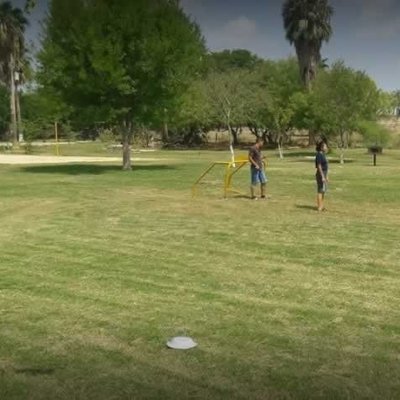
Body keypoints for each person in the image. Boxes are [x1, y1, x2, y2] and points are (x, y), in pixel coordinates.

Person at [315, 141, 329, 211]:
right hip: (321, 174)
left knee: (323, 191)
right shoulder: (319, 155)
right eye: (325, 146)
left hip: (324, 173)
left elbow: (326, 166)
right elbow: (319, 166)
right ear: (321, 147)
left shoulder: (323, 154)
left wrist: (327, 176)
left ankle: (322, 205)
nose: (326, 148)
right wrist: (322, 176)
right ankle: (319, 206)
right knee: (320, 190)